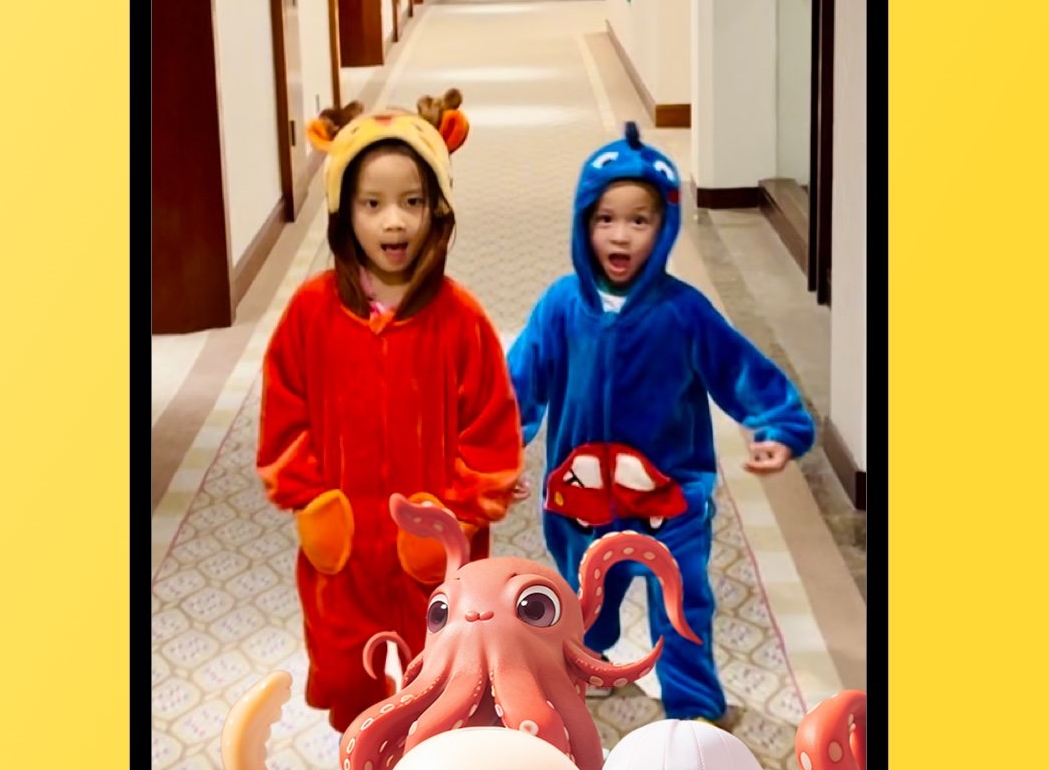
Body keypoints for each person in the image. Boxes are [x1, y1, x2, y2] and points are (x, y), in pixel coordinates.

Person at [507, 123, 814, 722]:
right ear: (583, 224)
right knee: (584, 598)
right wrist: (500, 451)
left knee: (682, 602)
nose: (620, 234)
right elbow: (518, 383)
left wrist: (779, 426)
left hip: (671, 498)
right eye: (605, 219)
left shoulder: (684, 312)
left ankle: (692, 704)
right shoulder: (561, 307)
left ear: (664, 226)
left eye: (639, 221)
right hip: (580, 500)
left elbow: (741, 370)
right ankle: (586, 665)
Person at [257, 89, 523, 733]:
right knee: (354, 674)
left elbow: (492, 439)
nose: (393, 223)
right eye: (371, 204)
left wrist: (450, 521)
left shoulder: (461, 320)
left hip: (436, 560)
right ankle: (363, 768)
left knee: (445, 674)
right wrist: (314, 504)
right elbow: (283, 417)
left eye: (412, 202)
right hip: (345, 552)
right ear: (343, 212)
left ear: (438, 210)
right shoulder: (310, 313)